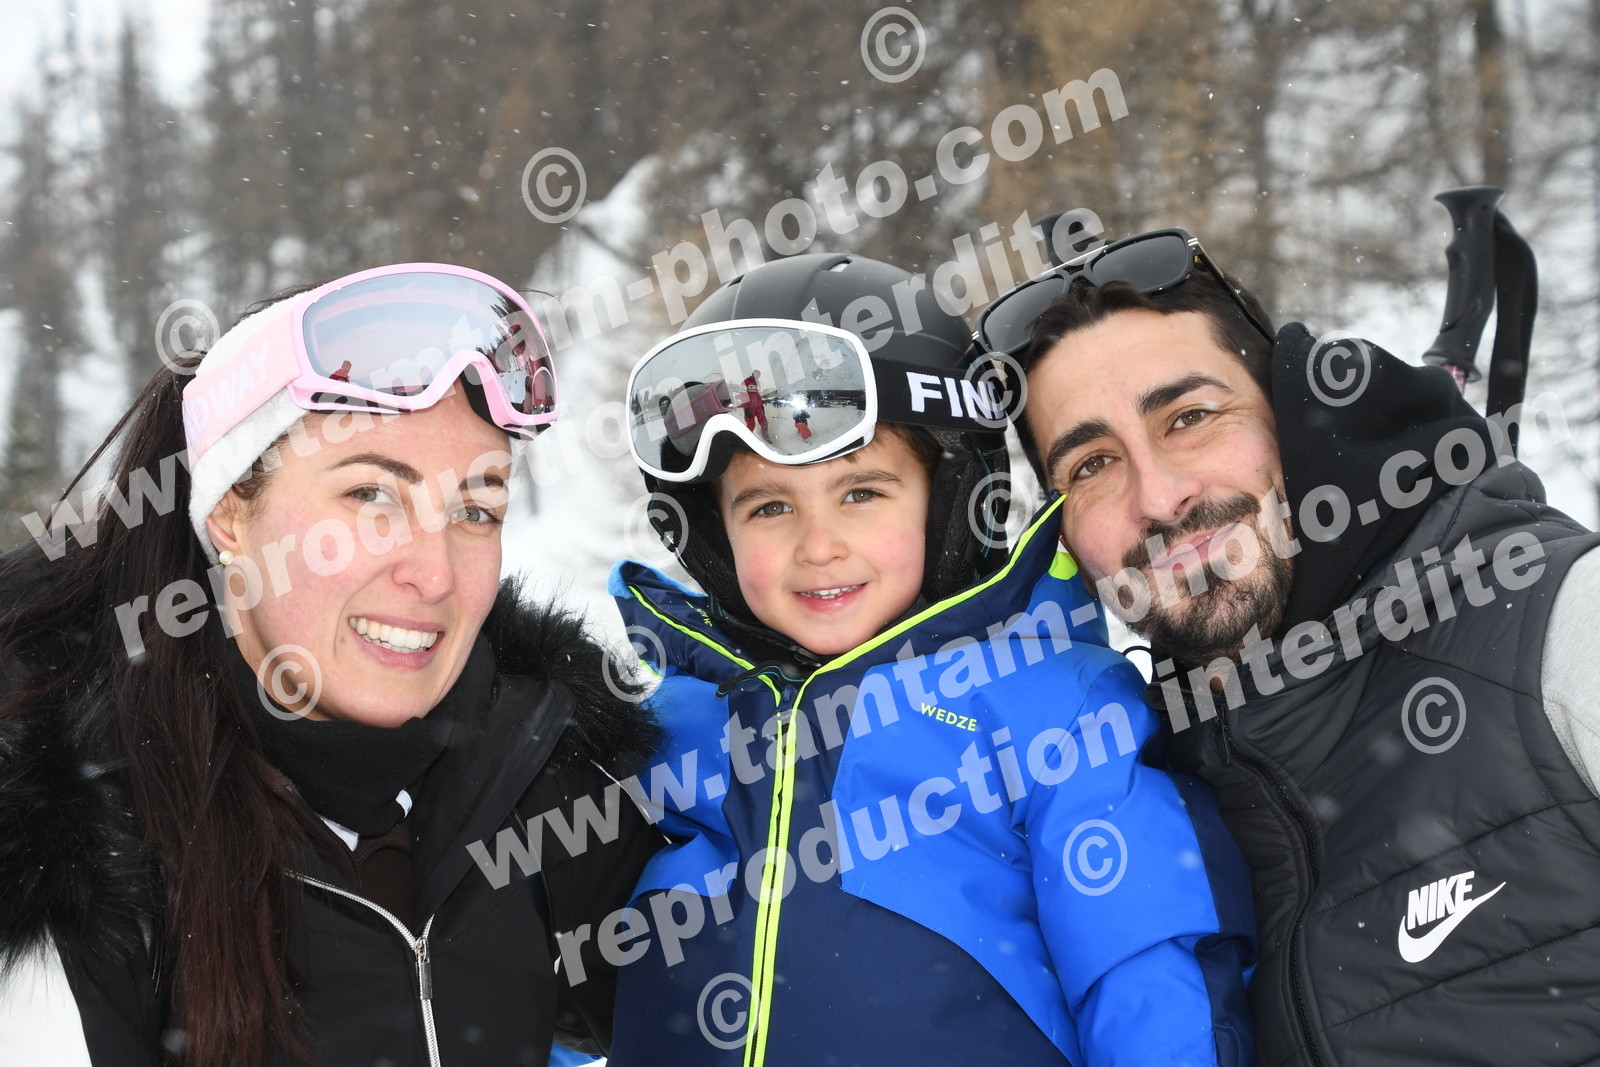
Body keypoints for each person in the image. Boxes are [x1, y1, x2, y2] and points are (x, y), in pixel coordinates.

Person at [0, 263, 662, 1066]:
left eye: (475, 508)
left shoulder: (538, 773)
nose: (435, 573)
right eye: (371, 496)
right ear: (230, 511)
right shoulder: (73, 855)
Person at [606, 252, 1256, 1066]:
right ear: (711, 535)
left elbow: (1151, 977)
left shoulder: (1055, 713)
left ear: (952, 501)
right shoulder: (664, 728)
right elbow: (535, 987)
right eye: (769, 506)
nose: (817, 545)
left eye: (861, 493)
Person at [993, 226, 1600, 1065]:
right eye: (1092, 465)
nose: (1159, 498)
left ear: (1289, 409)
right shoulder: (1132, 794)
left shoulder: (1561, 628)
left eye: (1190, 417)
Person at [739, 368, 770, 438]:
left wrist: (761, 405)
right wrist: (746, 408)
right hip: (750, 407)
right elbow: (742, 395)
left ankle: (766, 436)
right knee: (751, 424)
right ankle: (747, 439)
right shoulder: (746, 382)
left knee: (764, 422)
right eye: (756, 374)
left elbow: (758, 396)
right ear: (753, 374)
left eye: (759, 375)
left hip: (758, 407)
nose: (757, 376)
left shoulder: (757, 384)